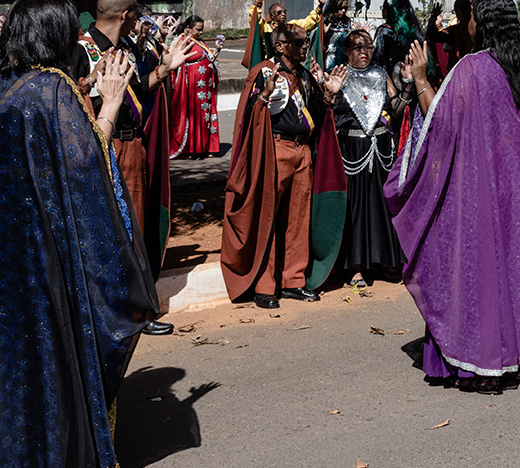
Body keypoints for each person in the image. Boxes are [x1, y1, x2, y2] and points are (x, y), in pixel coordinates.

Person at [0, 0, 158, 468]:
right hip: (45, 255)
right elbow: (86, 168)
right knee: (51, 353)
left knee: (7, 354)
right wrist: (112, 102)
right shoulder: (54, 91)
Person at [387, 0, 520, 387]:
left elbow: (441, 126)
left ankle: (483, 354)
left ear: (480, 23)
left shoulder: (470, 69)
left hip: (483, 192)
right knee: (518, 269)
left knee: (481, 270)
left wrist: (419, 79)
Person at [75, 0, 187, 333]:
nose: (139, 22)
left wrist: (165, 70)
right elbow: (70, 95)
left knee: (132, 226)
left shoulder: (124, 49)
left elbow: (140, 88)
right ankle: (109, 312)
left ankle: (136, 311)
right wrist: (91, 80)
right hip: (103, 147)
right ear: (126, 16)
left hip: (131, 145)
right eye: (137, 16)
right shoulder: (81, 49)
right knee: (105, 230)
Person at [220, 23, 323, 309]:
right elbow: (250, 116)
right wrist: (264, 96)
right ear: (280, 46)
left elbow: (315, 113)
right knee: (269, 217)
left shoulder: (303, 74)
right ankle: (265, 286)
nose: (305, 46)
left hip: (303, 150)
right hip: (275, 149)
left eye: (305, 40)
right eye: (298, 41)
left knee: (298, 218)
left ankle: (294, 281)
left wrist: (328, 93)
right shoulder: (265, 71)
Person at [323, 27, 407, 288]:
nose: (364, 52)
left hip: (381, 151)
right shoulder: (338, 75)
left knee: (381, 205)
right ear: (346, 51)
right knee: (357, 208)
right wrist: (328, 94)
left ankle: (385, 260)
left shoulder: (381, 75)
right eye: (358, 47)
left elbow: (396, 109)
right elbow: (328, 114)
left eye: (368, 46)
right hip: (353, 151)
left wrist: (407, 86)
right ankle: (356, 266)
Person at [168, 17, 224, 158]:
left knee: (204, 117)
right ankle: (190, 148)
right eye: (198, 29)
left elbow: (208, 59)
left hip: (204, 87)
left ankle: (203, 147)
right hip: (191, 86)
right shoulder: (182, 41)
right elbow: (172, 61)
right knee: (192, 116)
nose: (200, 32)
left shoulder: (199, 41)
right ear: (188, 28)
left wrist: (217, 50)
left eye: (201, 30)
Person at [240, 0, 323, 69]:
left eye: (284, 12)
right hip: (271, 66)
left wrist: (320, 6)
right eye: (279, 12)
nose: (283, 14)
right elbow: (254, 19)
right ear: (272, 16)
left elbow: (309, 22)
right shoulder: (265, 28)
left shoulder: (290, 27)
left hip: (288, 65)